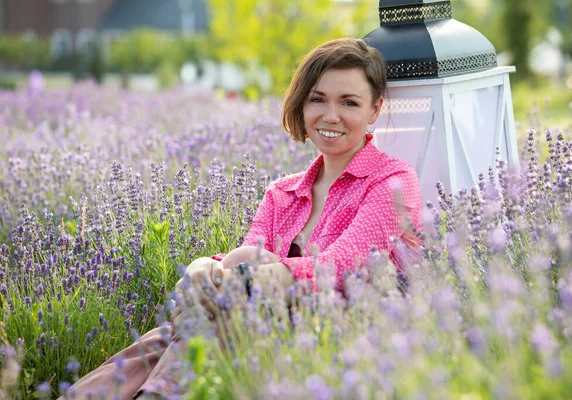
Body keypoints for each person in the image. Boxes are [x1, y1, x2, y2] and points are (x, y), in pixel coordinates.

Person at [60, 38, 423, 400]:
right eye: (318, 99)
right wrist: (205, 268)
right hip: (252, 329)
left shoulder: (392, 181)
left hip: (339, 342)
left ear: (374, 110)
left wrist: (250, 280)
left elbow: (341, 265)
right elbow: (247, 253)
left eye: (349, 102)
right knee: (178, 331)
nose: (330, 115)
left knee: (228, 311)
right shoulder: (284, 193)